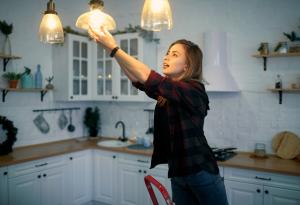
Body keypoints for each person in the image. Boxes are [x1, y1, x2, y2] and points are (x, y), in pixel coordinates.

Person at [89, 26, 229, 205]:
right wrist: (110, 49)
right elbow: (138, 79)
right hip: (178, 173)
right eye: (168, 53)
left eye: (174, 54)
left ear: (187, 65)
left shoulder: (193, 90)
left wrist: (115, 48)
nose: (166, 57)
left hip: (200, 171)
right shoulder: (169, 93)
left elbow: (150, 77)